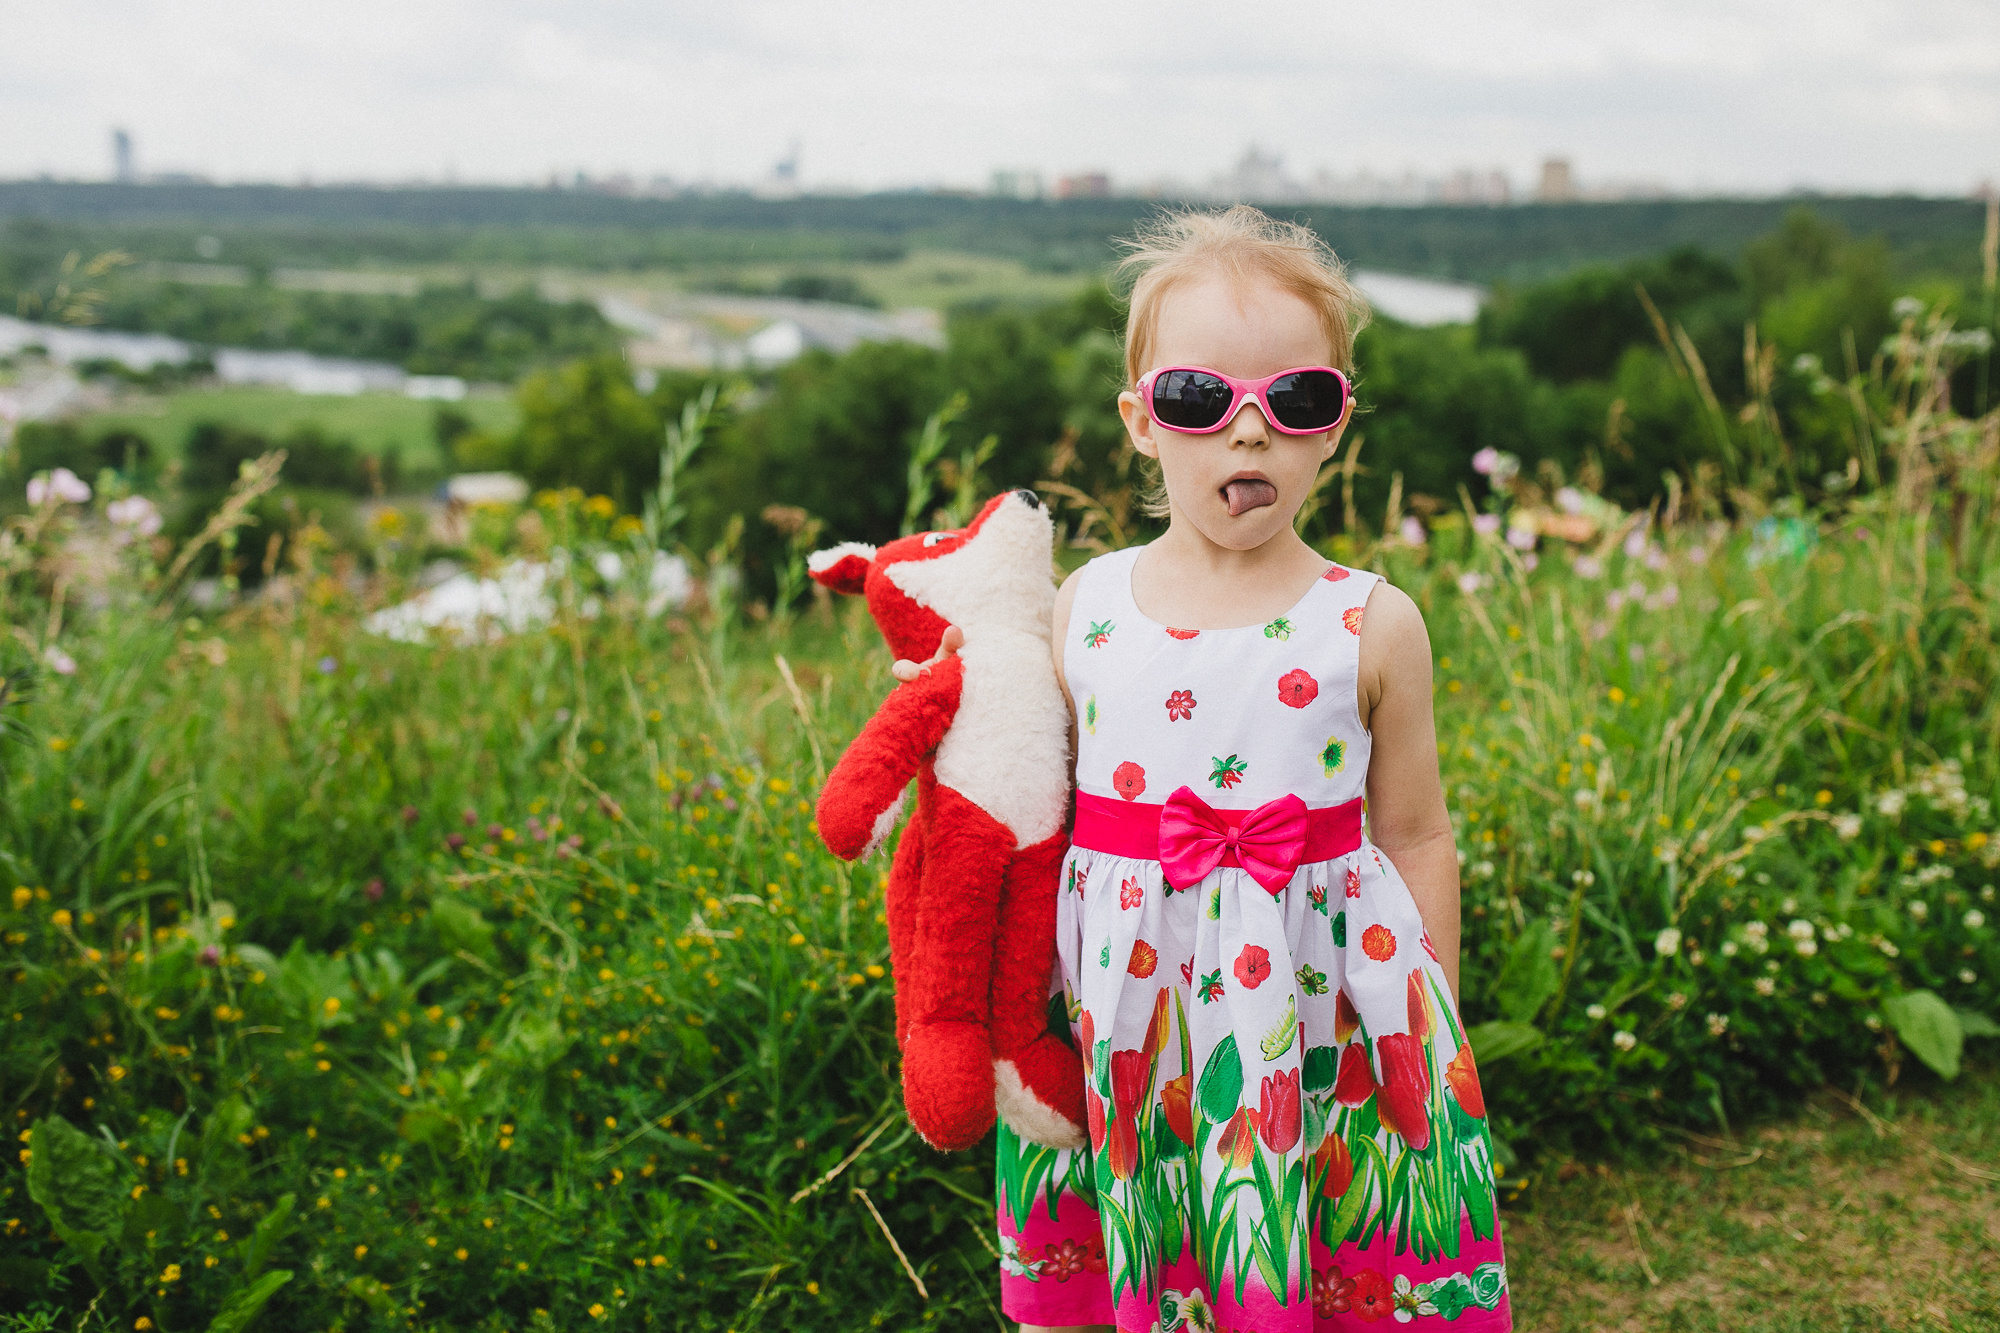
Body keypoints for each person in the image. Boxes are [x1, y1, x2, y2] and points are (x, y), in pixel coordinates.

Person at [997, 206, 1512, 1332]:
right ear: (1141, 419)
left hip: (1319, 1008)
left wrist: (1430, 1022)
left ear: (1335, 426)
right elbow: (1042, 824)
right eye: (1197, 399)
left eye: (1295, 400)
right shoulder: (1082, 611)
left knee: (1315, 1251)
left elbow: (1415, 831)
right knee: (1162, 1243)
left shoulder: (1371, 623)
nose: (1248, 434)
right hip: (1134, 1014)